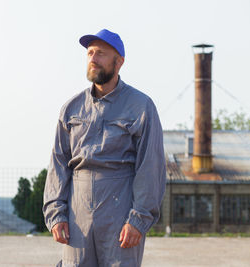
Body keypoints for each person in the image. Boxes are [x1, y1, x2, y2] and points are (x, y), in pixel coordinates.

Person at [43, 29, 166, 267]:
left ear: (119, 62)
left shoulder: (141, 107)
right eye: (89, 53)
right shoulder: (71, 109)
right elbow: (58, 164)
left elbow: (150, 167)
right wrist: (56, 213)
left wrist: (138, 219)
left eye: (100, 53)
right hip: (77, 209)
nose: (93, 59)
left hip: (120, 208)